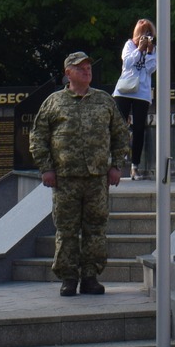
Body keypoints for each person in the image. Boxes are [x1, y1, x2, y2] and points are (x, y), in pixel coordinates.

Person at [29, 50, 131, 297]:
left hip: (97, 178)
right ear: (68, 73)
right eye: (80, 67)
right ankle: (68, 278)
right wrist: (46, 168)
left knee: (95, 229)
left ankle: (90, 276)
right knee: (66, 230)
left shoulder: (104, 100)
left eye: (88, 67)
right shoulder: (54, 102)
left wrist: (116, 165)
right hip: (65, 179)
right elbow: (38, 136)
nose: (87, 70)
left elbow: (120, 135)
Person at [112, 19, 159, 177]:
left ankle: (135, 166)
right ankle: (115, 161)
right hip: (124, 90)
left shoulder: (153, 49)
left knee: (139, 129)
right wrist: (139, 48)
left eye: (150, 34)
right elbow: (128, 63)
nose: (147, 37)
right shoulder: (129, 45)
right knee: (119, 125)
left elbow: (151, 69)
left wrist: (150, 52)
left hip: (142, 91)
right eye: (144, 33)